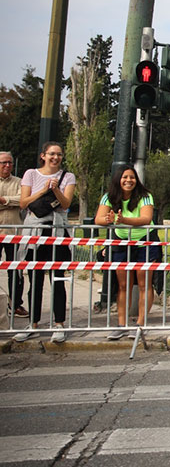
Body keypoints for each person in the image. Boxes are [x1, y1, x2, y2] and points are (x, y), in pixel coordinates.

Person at [13, 142, 76, 343]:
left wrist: (56, 189)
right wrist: (43, 190)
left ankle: (59, 323)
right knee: (35, 277)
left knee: (58, 277)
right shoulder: (31, 174)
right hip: (35, 229)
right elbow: (23, 203)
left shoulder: (68, 176)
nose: (55, 158)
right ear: (43, 155)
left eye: (58, 154)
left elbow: (66, 204)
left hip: (57, 229)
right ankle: (33, 322)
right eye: (51, 154)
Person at [94, 165, 159, 340]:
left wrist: (122, 220)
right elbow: (98, 219)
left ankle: (140, 323)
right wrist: (108, 220)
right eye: (125, 177)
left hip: (145, 240)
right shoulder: (109, 197)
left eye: (132, 177)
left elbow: (146, 218)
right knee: (123, 284)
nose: (129, 180)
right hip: (121, 241)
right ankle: (121, 324)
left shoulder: (145, 196)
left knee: (144, 282)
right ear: (118, 180)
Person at [0, 151, 28, 318]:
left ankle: (16, 304)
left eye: (10, 162)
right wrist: (12, 202)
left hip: (14, 233)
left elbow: (23, 200)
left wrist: (4, 201)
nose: (7, 166)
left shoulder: (19, 182)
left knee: (16, 270)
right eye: (4, 163)